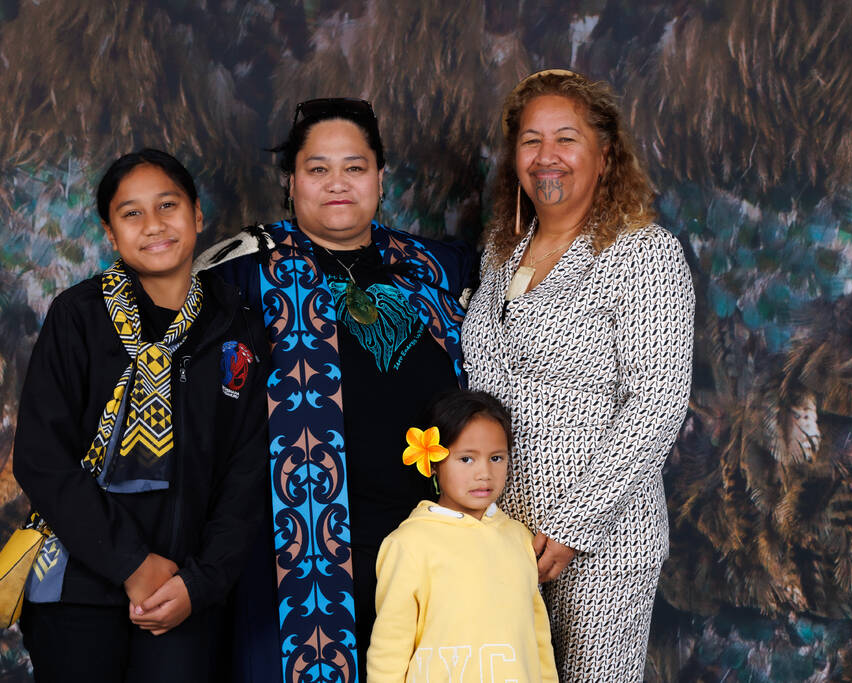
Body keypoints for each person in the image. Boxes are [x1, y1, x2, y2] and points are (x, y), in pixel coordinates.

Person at [196, 98, 475, 682]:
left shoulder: (437, 268)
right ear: (291, 181)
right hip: (297, 549)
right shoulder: (240, 272)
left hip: (430, 537)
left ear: (380, 176)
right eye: (317, 168)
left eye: (354, 167)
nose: (337, 183)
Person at [461, 70, 694, 681]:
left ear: (605, 153)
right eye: (531, 140)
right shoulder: (500, 251)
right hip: (503, 535)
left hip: (602, 543)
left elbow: (657, 402)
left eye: (566, 139)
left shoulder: (643, 253)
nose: (547, 156)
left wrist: (572, 529)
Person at [12, 149, 269, 682]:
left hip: (185, 594)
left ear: (197, 214)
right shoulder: (78, 317)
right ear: (110, 233)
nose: (153, 225)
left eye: (167, 206)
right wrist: (130, 563)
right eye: (132, 213)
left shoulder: (235, 324)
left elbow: (246, 473)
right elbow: (41, 459)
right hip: (77, 592)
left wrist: (200, 583)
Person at [367, 389, 559, 683]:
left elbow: (538, 641)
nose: (484, 473)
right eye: (467, 459)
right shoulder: (409, 544)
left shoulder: (519, 538)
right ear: (433, 463)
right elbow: (389, 652)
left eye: (496, 458)